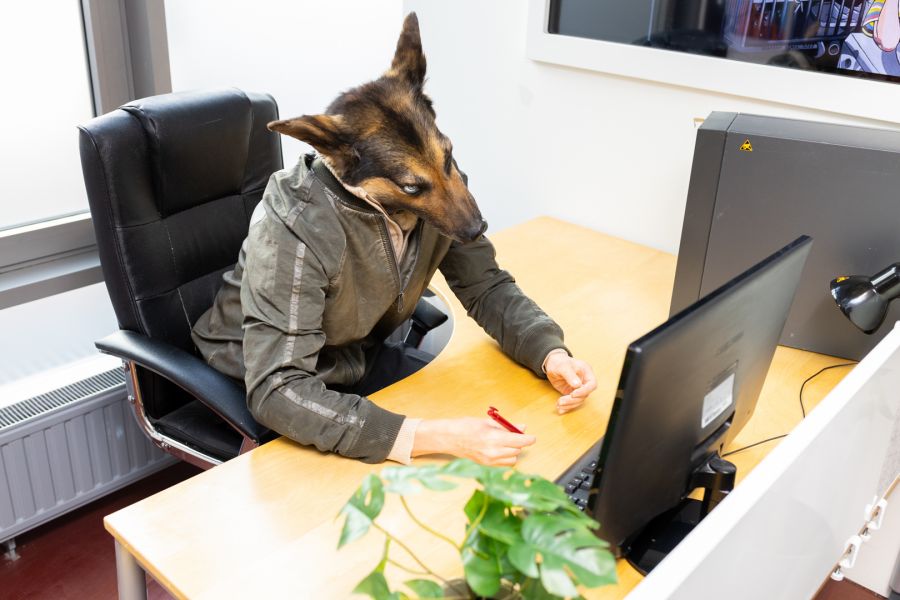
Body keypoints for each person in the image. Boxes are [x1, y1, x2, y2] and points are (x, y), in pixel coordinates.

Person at [191, 14, 597, 466]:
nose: (463, 211)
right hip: (264, 379)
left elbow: (486, 285)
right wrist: (433, 436)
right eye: (414, 187)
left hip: (355, 358)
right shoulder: (297, 226)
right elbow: (278, 389)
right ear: (346, 164)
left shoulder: (431, 174)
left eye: (446, 159)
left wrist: (549, 351)